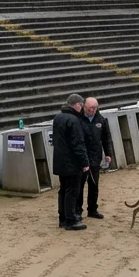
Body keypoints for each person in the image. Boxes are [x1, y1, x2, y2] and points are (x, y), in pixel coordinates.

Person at [51, 94, 90, 230]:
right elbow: (78, 144)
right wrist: (85, 162)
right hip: (72, 162)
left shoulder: (58, 118)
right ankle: (71, 219)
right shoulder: (74, 120)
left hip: (60, 160)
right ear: (77, 105)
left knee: (63, 190)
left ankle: (62, 218)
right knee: (72, 191)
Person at [78, 97, 115, 220]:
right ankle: (77, 210)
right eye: (90, 108)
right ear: (85, 106)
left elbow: (106, 138)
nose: (92, 110)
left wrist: (108, 153)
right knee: (79, 185)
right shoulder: (78, 119)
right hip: (81, 157)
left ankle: (92, 209)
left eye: (95, 108)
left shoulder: (101, 120)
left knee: (94, 184)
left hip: (95, 157)